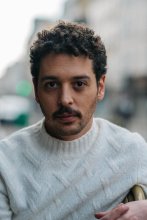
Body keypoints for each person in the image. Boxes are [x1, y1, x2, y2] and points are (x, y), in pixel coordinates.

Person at [0, 20, 147, 220]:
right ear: (36, 89)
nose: (65, 99)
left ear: (100, 86)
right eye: (52, 84)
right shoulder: (5, 160)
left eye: (79, 83)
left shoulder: (133, 149)